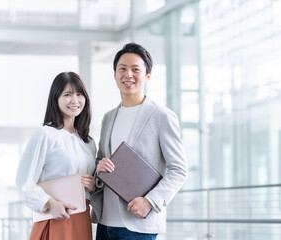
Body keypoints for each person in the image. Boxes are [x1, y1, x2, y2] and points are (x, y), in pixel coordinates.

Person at [90, 42, 188, 239]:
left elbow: (179, 169)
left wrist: (150, 201)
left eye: (136, 69)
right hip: (104, 225)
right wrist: (99, 167)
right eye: (122, 69)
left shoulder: (162, 116)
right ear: (115, 75)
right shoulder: (109, 117)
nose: (128, 75)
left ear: (147, 76)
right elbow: (100, 160)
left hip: (138, 227)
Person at [16, 72, 96, 240]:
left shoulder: (88, 142)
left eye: (79, 94)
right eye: (67, 94)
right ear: (56, 99)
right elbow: (24, 183)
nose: (75, 100)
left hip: (82, 218)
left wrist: (93, 185)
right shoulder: (45, 135)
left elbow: (90, 186)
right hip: (55, 217)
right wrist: (50, 204)